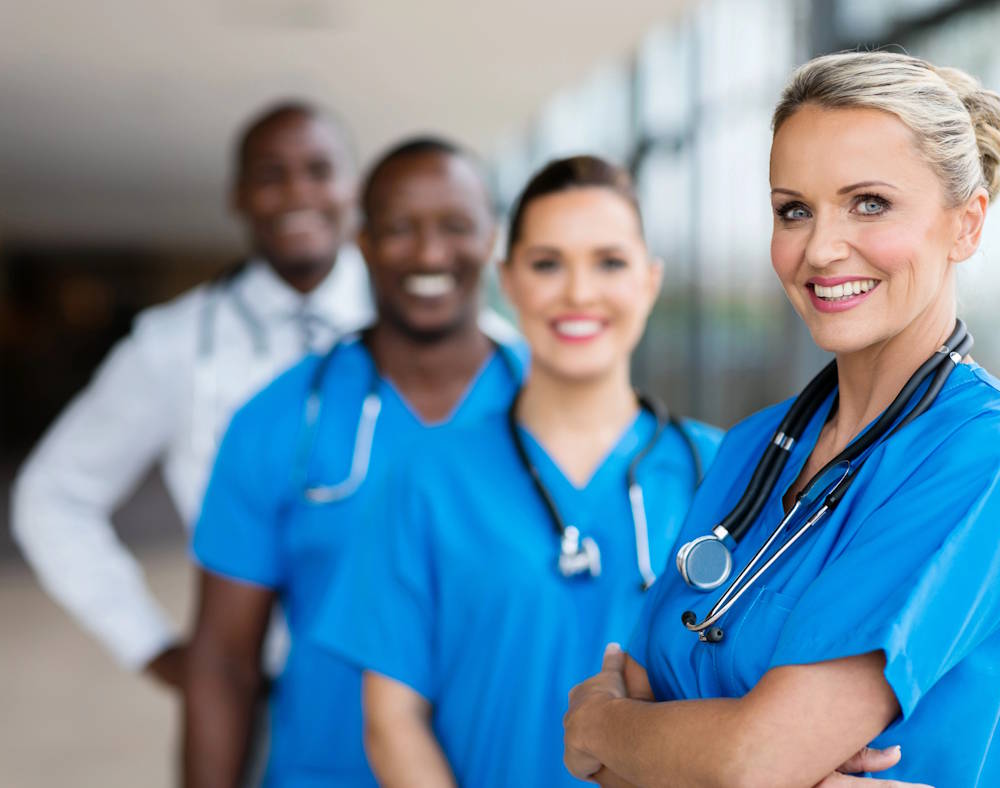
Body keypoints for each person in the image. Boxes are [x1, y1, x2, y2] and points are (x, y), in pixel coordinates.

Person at [563, 51, 1000, 788]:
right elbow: (623, 757)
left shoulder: (977, 458)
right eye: (793, 209)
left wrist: (604, 723)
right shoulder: (749, 449)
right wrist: (708, 751)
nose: (821, 250)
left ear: (966, 224)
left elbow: (741, 760)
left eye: (869, 203)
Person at [313, 155, 722, 787]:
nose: (579, 293)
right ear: (508, 280)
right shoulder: (427, 477)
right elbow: (392, 721)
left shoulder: (726, 473)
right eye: (547, 264)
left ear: (650, 279)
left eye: (609, 263)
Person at [183, 136, 525, 788]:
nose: (428, 253)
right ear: (361, 243)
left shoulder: (560, 414)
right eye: (400, 228)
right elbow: (223, 662)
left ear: (491, 239)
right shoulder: (279, 421)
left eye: (455, 226)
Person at [9, 101, 372, 688]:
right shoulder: (173, 344)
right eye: (270, 174)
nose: (297, 193)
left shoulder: (432, 330)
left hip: (421, 681)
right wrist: (153, 649)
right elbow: (51, 497)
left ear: (353, 186)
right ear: (237, 195)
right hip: (261, 687)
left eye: (319, 170)